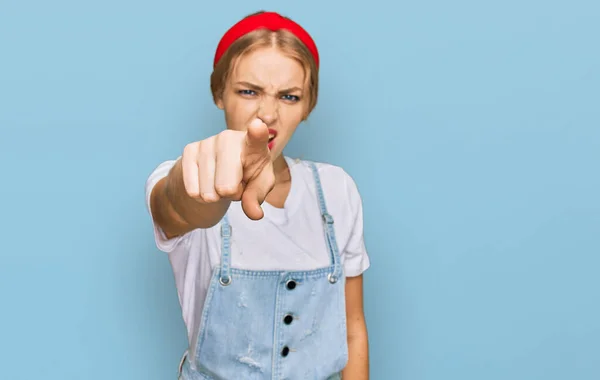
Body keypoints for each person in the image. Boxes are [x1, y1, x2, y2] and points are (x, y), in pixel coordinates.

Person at [145, 10, 370, 379]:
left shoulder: (337, 191)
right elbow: (180, 206)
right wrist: (206, 184)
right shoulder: (189, 176)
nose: (267, 114)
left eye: (289, 96)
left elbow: (353, 327)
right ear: (219, 93)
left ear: (308, 106)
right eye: (248, 91)